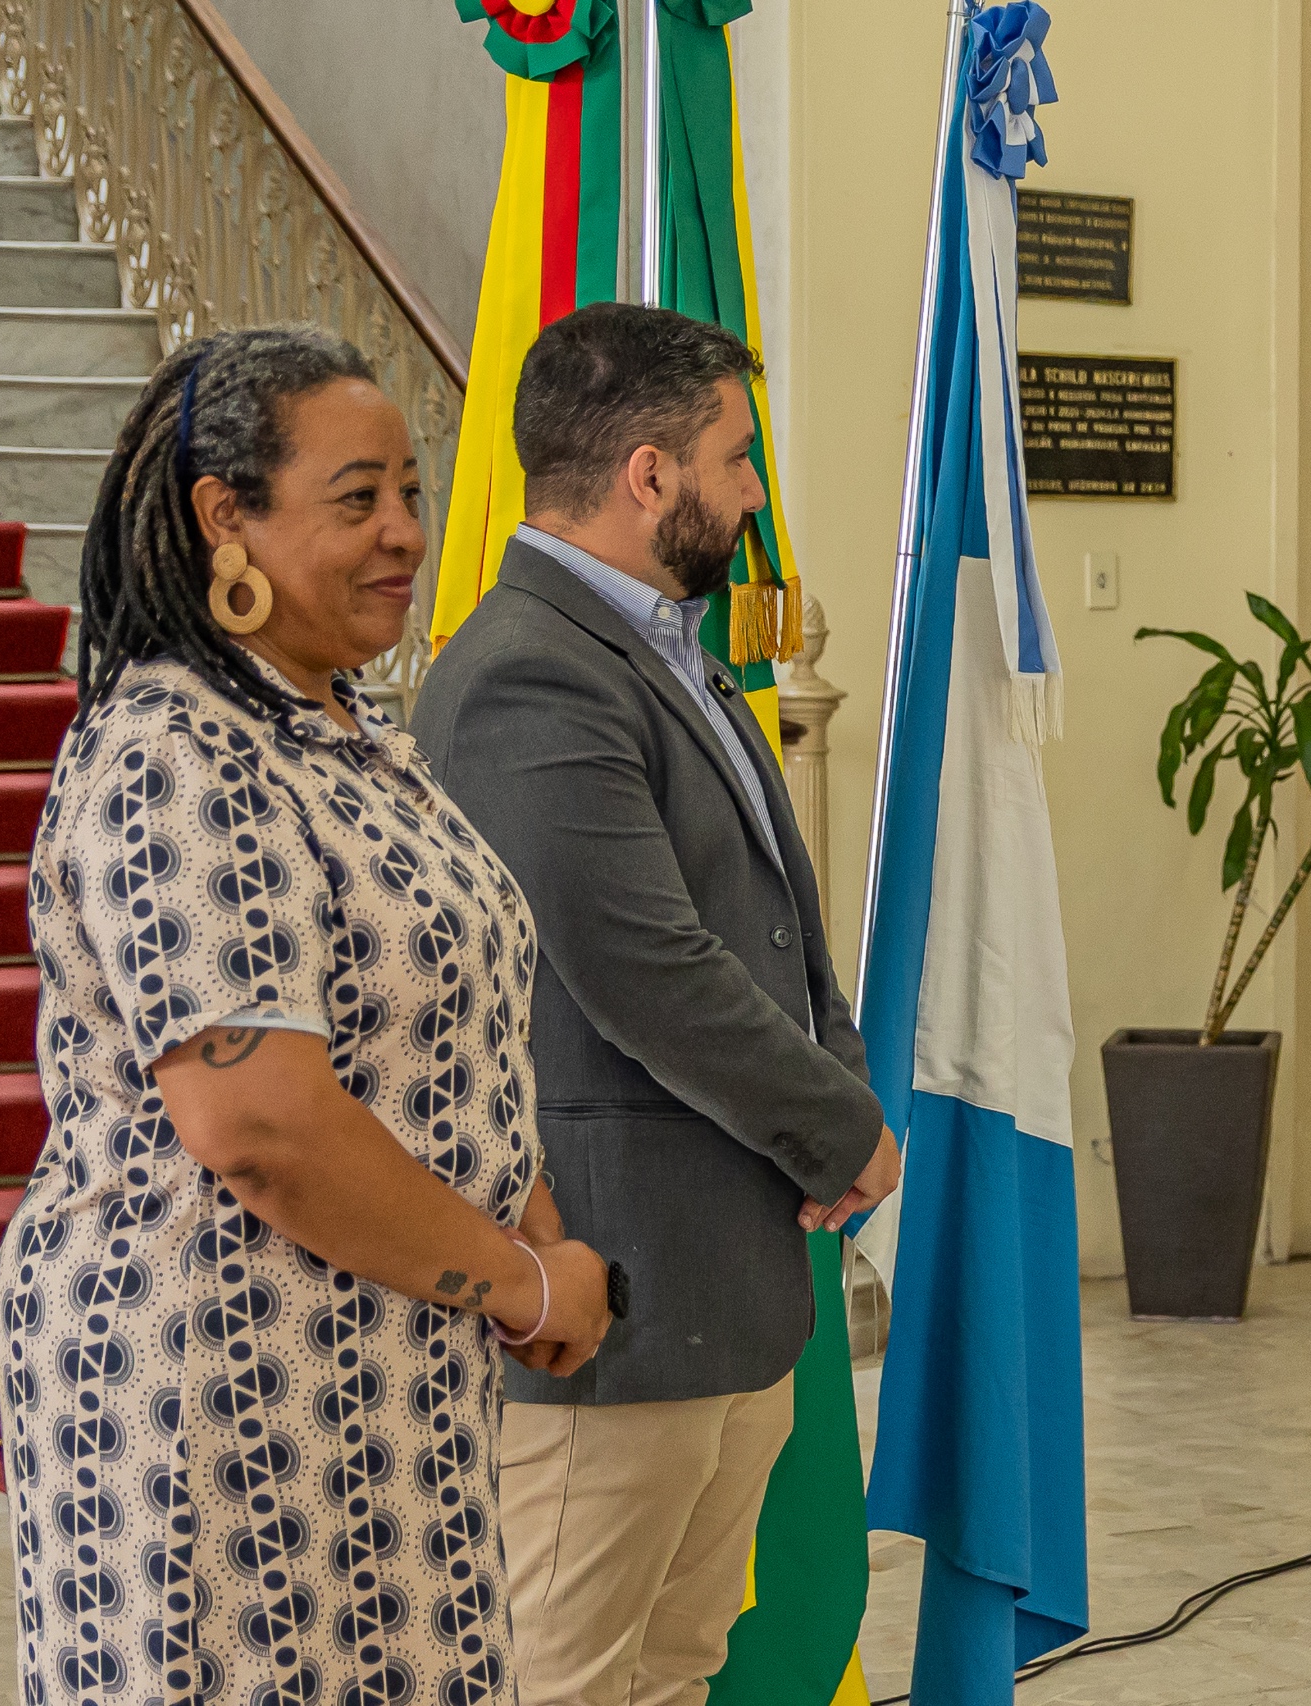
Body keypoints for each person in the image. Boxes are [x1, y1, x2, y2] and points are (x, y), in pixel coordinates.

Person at [0, 325, 614, 1706]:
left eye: (410, 487)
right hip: (216, 1400)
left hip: (388, 1377)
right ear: (228, 517)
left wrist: (536, 1224)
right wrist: (519, 1281)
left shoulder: (339, 730)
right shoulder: (174, 752)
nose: (406, 530)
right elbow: (260, 1122)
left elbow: (439, 1031)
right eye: (357, 498)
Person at [414, 303, 900, 1706]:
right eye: (736, 460)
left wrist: (834, 1085)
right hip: (610, 1300)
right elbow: (646, 967)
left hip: (723, 1281)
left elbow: (777, 933)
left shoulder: (670, 648)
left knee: (674, 1671)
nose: (753, 496)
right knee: (564, 1680)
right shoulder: (525, 672)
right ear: (648, 474)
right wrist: (838, 1129)